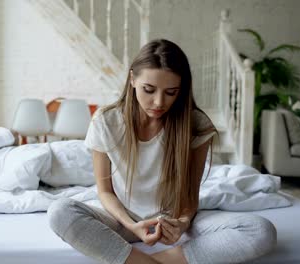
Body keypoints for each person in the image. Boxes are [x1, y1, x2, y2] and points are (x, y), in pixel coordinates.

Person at [47, 39, 277, 264]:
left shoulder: (195, 124)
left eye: (171, 92)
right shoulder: (107, 122)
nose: (158, 102)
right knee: (60, 211)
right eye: (149, 89)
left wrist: (183, 223)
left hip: (171, 222)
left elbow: (190, 195)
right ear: (132, 79)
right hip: (122, 221)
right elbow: (105, 192)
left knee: (260, 230)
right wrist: (132, 225)